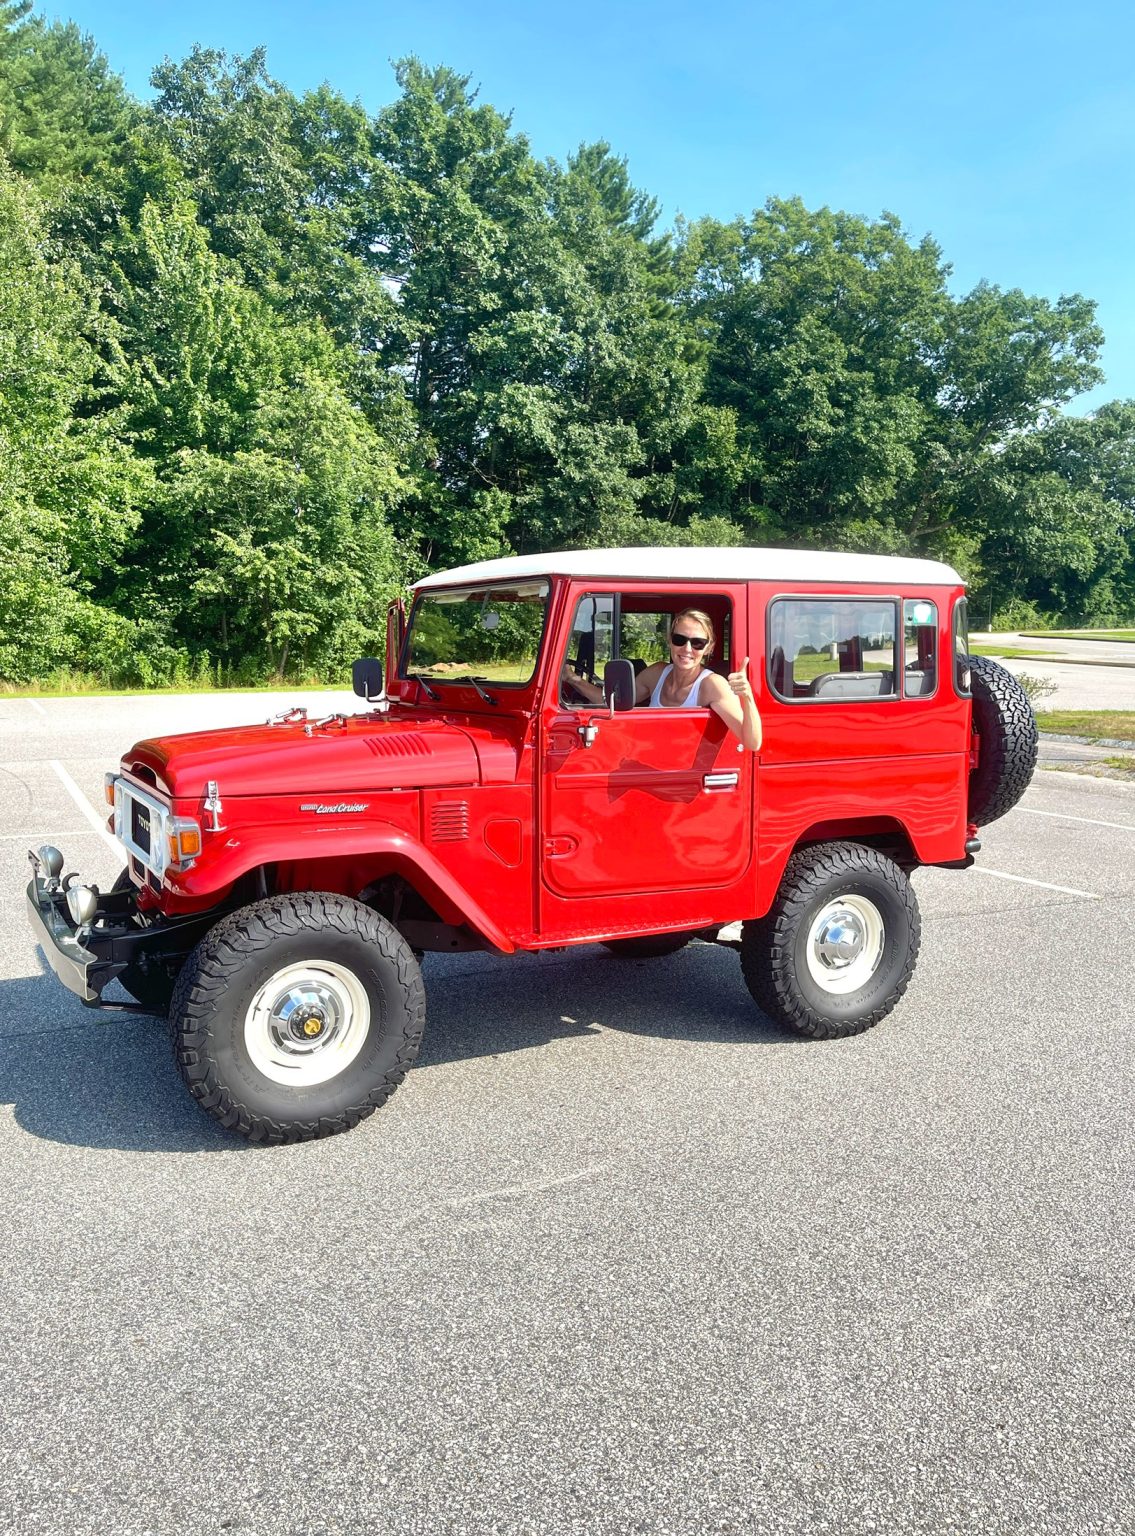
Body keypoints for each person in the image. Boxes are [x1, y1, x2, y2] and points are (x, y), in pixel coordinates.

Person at [560, 607, 762, 751]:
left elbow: (752, 743)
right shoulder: (657, 673)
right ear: (670, 640)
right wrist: (572, 678)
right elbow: (611, 701)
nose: (687, 649)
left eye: (698, 643)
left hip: (686, 778)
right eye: (680, 639)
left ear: (709, 648)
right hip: (647, 759)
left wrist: (747, 697)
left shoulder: (712, 685)